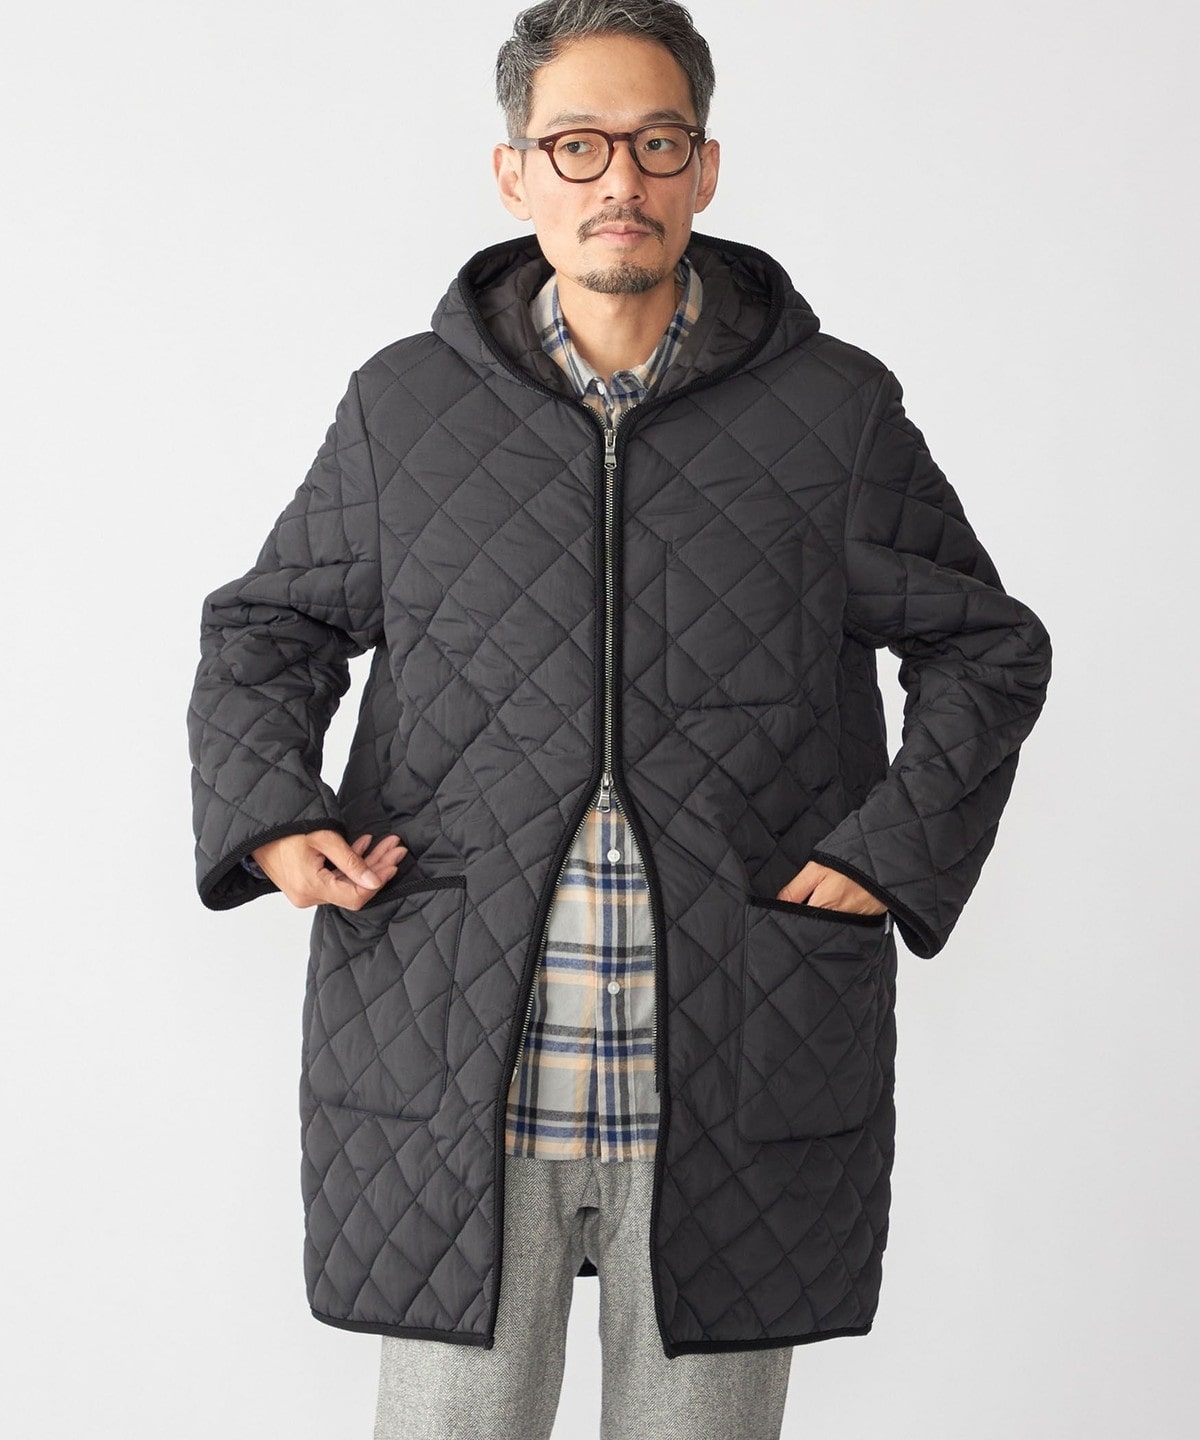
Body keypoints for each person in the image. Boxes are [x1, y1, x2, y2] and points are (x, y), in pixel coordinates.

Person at [186, 2, 1053, 1436]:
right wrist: (275, 818)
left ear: (705, 168)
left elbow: (985, 651)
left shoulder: (834, 413)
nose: (620, 181)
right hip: (455, 1052)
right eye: (577, 144)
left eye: (656, 143)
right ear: (514, 172)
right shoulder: (405, 410)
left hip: (735, 1049)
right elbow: (267, 630)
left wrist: (890, 850)